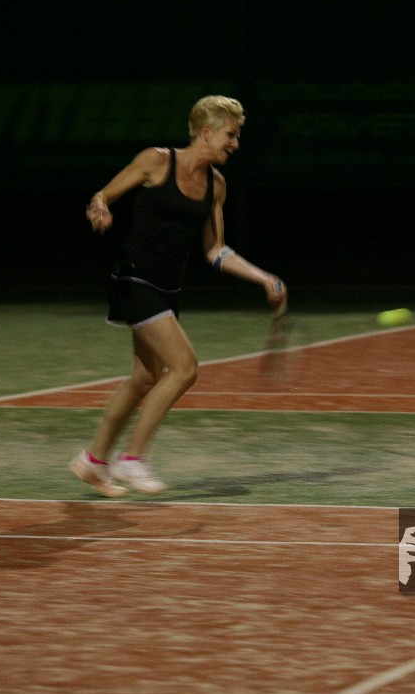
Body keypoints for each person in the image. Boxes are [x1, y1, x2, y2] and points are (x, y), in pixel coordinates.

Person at [71, 95, 287, 498]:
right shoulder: (156, 161)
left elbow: (215, 250)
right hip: (134, 279)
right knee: (185, 368)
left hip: (168, 289)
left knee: (144, 378)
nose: (235, 144)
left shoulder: (216, 186)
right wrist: (100, 206)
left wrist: (264, 278)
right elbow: (105, 194)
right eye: (230, 135)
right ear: (206, 132)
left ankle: (94, 461)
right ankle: (132, 459)